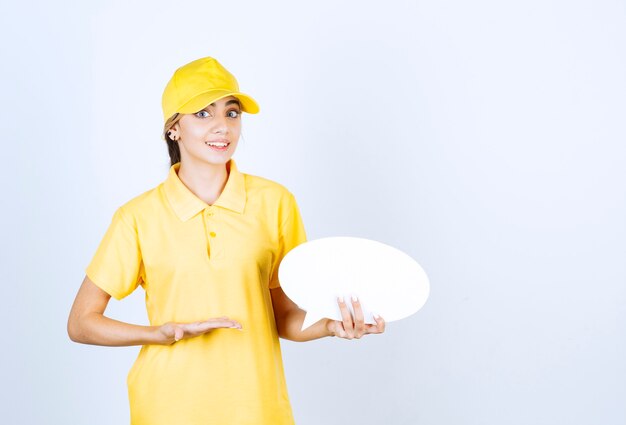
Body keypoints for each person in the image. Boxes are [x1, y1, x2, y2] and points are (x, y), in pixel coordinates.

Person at [67, 56, 385, 425]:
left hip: (257, 409)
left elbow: (283, 317)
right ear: (174, 129)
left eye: (232, 113)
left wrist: (332, 325)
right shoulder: (137, 217)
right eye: (203, 113)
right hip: (167, 408)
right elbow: (81, 322)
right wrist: (160, 334)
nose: (222, 126)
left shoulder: (275, 202)